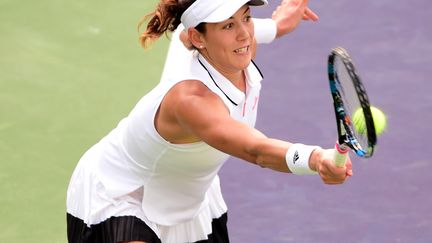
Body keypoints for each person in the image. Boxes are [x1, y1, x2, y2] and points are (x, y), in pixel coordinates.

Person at [66, 0, 353, 242]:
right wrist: (315, 158)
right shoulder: (191, 101)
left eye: (247, 17)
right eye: (228, 25)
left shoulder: (226, 49)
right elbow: (257, 150)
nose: (244, 35)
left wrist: (279, 25)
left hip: (188, 195)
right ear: (198, 38)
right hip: (122, 194)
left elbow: (200, 32)